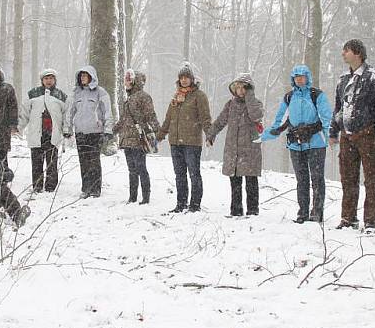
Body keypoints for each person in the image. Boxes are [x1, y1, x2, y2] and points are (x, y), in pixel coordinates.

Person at [328, 39, 375, 233]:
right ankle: (348, 218)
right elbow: (338, 108)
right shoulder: (343, 79)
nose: (343, 54)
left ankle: (371, 221)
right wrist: (333, 131)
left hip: (367, 134)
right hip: (347, 135)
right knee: (348, 178)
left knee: (371, 178)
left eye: (346, 51)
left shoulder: (374, 77)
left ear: (357, 53)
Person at [262, 64, 332, 224]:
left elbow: (326, 118)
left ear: (308, 78)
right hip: (295, 144)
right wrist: (268, 134)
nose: (300, 79)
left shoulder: (317, 95)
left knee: (317, 178)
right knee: (302, 180)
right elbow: (281, 119)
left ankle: (317, 214)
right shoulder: (289, 97)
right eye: (297, 77)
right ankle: (303, 213)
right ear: (293, 79)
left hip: (316, 143)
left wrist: (312, 129)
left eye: (302, 76)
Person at [157, 63, 212, 213]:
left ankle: (195, 205)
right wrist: (160, 136)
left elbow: (205, 118)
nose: (184, 80)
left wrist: (210, 134)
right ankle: (181, 204)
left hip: (192, 142)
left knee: (194, 174)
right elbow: (169, 119)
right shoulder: (176, 96)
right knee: (179, 175)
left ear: (192, 79)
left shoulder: (199, 96)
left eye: (187, 77)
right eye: (181, 78)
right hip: (175, 142)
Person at [207, 73, 264, 217]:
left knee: (251, 182)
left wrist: (249, 97)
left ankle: (252, 211)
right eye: (237, 87)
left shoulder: (256, 103)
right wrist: (211, 134)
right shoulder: (230, 105)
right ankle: (236, 211)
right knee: (235, 183)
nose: (240, 90)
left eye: (243, 87)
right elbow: (220, 121)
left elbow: (256, 116)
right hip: (233, 150)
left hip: (250, 151)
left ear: (249, 89)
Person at [65, 65, 114, 199]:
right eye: (81, 76)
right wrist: (67, 128)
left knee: (94, 161)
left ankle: (95, 189)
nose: (83, 78)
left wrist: (108, 130)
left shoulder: (100, 92)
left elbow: (107, 111)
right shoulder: (76, 93)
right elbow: (70, 112)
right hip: (80, 131)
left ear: (91, 76)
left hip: (95, 131)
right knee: (83, 161)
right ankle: (86, 188)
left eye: (85, 75)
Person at [113, 69, 160, 204]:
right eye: (125, 80)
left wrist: (158, 131)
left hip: (139, 139)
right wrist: (112, 132)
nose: (126, 82)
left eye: (129, 80)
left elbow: (151, 115)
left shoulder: (143, 96)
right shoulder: (128, 98)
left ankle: (146, 198)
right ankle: (132, 197)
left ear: (135, 81)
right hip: (127, 139)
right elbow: (123, 120)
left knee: (141, 168)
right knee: (132, 170)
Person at [18, 69, 68, 193]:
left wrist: (66, 130)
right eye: (46, 78)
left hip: (52, 133)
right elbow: (25, 113)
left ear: (55, 80)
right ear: (42, 80)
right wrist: (18, 127)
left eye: (51, 78)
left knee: (52, 162)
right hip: (36, 133)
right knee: (36, 162)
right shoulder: (33, 94)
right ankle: (37, 186)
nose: (48, 81)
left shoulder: (61, 95)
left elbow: (66, 115)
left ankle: (51, 187)